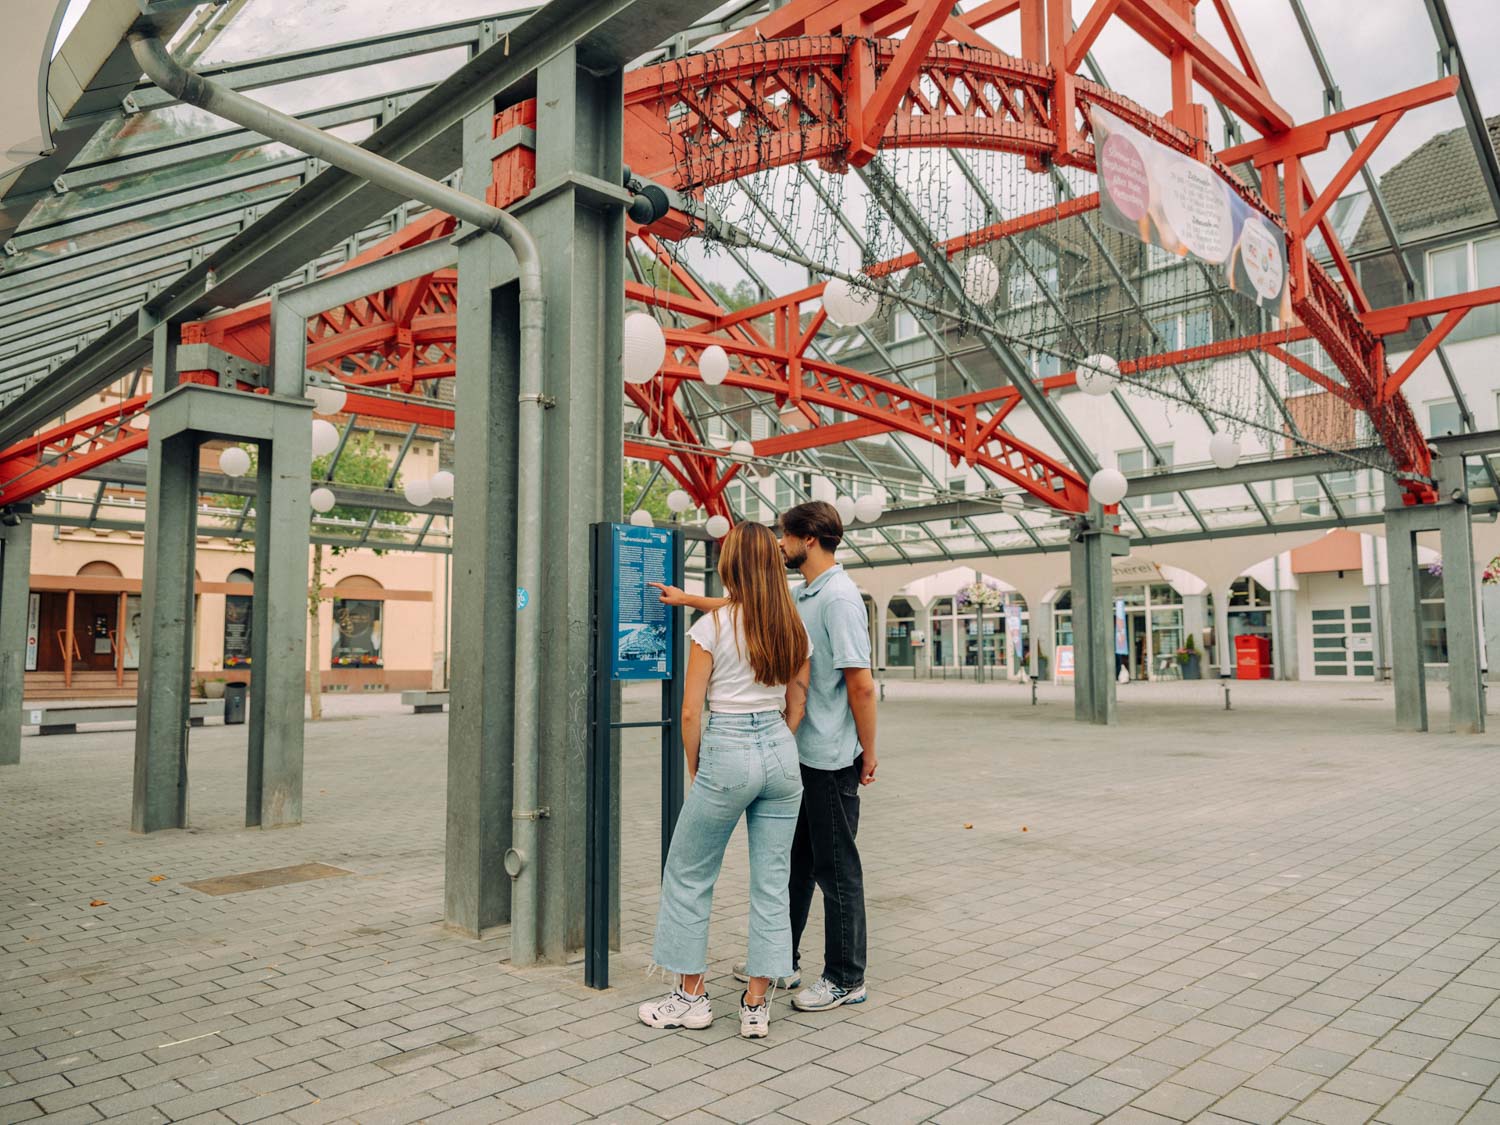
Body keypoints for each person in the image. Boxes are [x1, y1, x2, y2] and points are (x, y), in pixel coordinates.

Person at [653, 500, 877, 1014]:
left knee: (830, 869)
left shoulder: (838, 598)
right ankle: (769, 981)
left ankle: (843, 976)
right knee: (783, 874)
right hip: (788, 754)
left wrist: (869, 751)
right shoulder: (798, 603)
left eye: (785, 535)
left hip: (818, 755)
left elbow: (861, 685)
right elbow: (754, 618)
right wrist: (688, 599)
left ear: (808, 539)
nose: (779, 543)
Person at [639, 521, 811, 1039]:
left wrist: (699, 766)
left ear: (730, 564)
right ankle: (756, 1005)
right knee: (772, 880)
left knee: (689, 872)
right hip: (781, 752)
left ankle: (691, 998)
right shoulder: (791, 626)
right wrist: (775, 742)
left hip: (727, 751)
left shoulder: (711, 628)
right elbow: (798, 701)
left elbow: (691, 712)